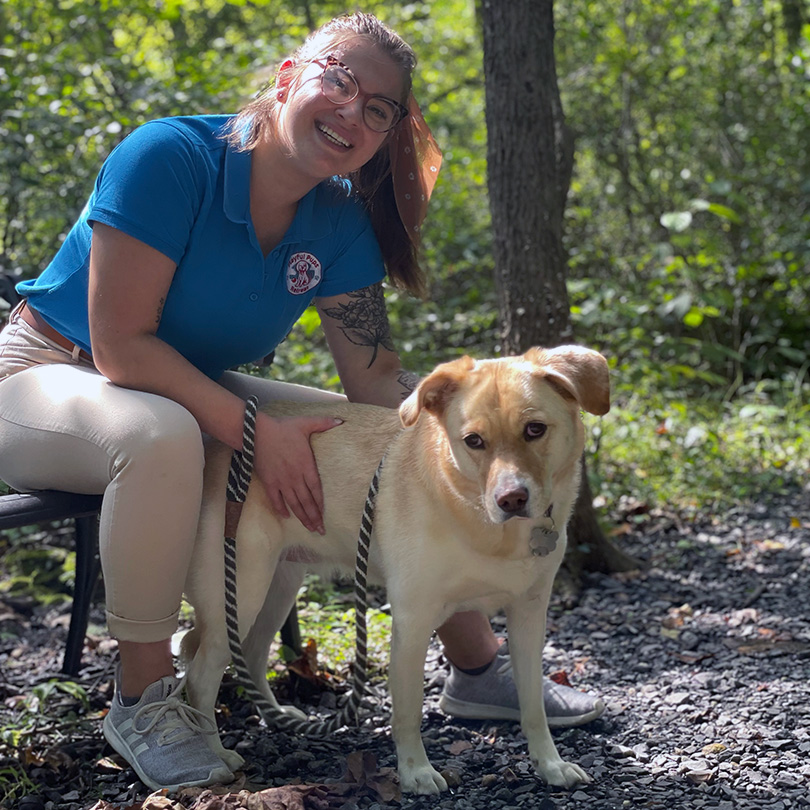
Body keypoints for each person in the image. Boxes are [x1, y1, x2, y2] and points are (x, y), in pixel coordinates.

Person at [0, 12, 603, 793]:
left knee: (356, 432)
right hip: (46, 372)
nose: (353, 111)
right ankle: (146, 699)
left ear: (388, 134)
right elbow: (119, 346)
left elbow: (380, 390)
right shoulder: (169, 157)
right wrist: (254, 430)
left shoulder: (341, 220)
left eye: (380, 108)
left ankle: (474, 664)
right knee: (160, 438)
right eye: (339, 81)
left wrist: (469, 426)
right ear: (290, 77)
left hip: (180, 382)